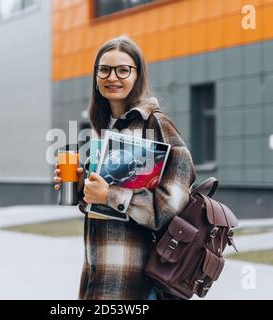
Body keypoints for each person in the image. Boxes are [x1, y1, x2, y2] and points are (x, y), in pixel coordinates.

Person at [53, 35, 196, 300]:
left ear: (137, 75)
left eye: (123, 70)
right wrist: (86, 186)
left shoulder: (156, 125)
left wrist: (110, 195)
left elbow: (173, 206)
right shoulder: (106, 129)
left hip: (139, 285)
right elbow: (103, 208)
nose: (112, 77)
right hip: (101, 279)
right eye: (104, 69)